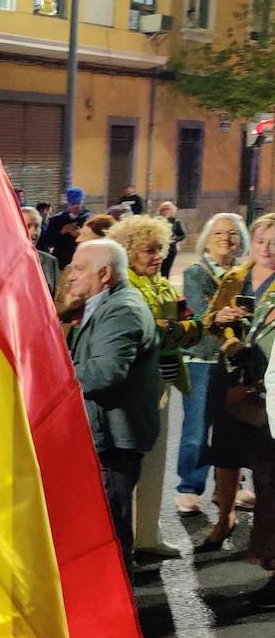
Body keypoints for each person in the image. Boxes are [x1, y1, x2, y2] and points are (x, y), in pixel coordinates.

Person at [108, 216, 201, 559]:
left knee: (154, 462)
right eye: (149, 249)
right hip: (134, 388)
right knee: (133, 464)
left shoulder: (161, 285)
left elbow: (187, 326)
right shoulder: (125, 287)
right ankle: (130, 540)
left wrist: (175, 327)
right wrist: (176, 328)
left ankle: (146, 535)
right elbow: (151, 332)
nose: (158, 255)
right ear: (129, 252)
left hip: (162, 381)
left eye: (160, 248)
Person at [66, 239, 160, 564]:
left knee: (109, 530)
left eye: (79, 269)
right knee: (102, 524)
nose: (70, 277)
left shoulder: (122, 309)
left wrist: (50, 378)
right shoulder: (103, 304)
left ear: (104, 273)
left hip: (113, 439)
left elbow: (105, 372)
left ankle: (120, 608)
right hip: (104, 433)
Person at [201, 213, 275, 589]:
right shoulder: (236, 277)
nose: (266, 249)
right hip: (230, 371)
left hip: (264, 380)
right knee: (225, 452)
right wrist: (222, 316)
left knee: (265, 463)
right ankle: (223, 519)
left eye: (273, 243)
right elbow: (208, 318)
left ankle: (264, 541)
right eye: (261, 241)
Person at [177, 214, 248, 517]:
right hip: (203, 359)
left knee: (236, 426)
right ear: (207, 237)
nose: (225, 238)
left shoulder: (245, 272)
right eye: (218, 232)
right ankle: (189, 487)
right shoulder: (197, 271)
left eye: (232, 233)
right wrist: (219, 315)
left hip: (238, 359)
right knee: (197, 428)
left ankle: (229, 486)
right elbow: (200, 309)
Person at [40, 187, 92, 266]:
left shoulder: (89, 218)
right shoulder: (57, 219)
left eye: (78, 203)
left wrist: (81, 234)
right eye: (73, 204)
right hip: (62, 262)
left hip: (83, 262)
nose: (75, 206)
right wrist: (62, 232)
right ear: (67, 203)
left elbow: (95, 239)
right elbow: (48, 241)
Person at [21, 206, 59, 296]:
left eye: (37, 226)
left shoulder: (50, 261)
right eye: (27, 226)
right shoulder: (0, 263)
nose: (34, 232)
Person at [158, 200, 187, 278]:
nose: (166, 212)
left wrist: (175, 238)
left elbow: (183, 235)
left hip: (171, 249)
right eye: (164, 210)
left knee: (166, 271)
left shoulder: (176, 221)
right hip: (159, 249)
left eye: (168, 210)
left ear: (171, 211)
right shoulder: (158, 220)